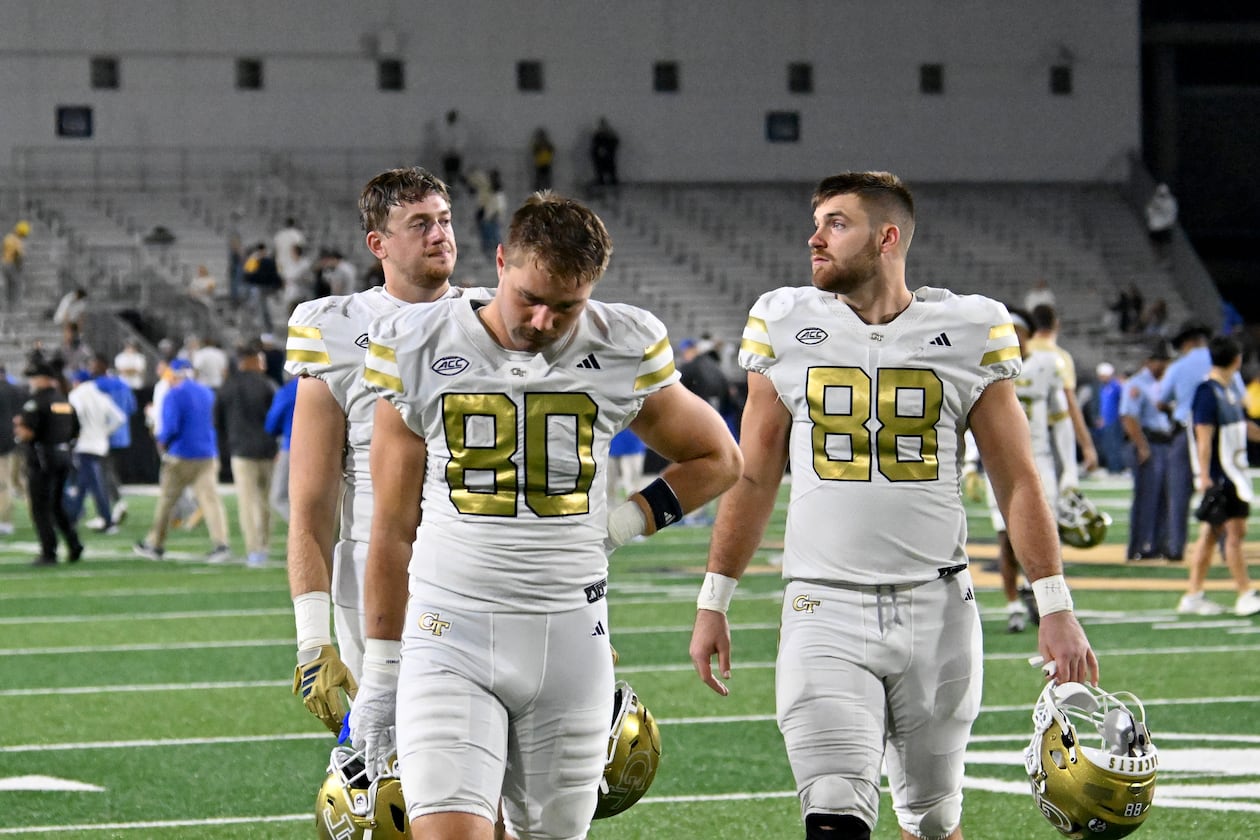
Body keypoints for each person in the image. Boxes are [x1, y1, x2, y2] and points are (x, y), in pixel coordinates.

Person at [687, 171, 1096, 840]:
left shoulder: (972, 326)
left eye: (835, 224)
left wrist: (1055, 608)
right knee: (832, 816)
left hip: (936, 610)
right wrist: (714, 598)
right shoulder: (784, 320)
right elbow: (755, 475)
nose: (814, 238)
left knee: (932, 823)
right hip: (823, 606)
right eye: (817, 222)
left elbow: (1016, 477)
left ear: (887, 237)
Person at [350, 192, 741, 840]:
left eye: (566, 306)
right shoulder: (417, 344)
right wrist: (383, 670)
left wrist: (620, 527)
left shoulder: (622, 344)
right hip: (451, 631)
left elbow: (718, 458)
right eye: (528, 296)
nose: (542, 319)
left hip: (570, 637)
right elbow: (391, 529)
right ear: (500, 261)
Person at [285, 166, 482, 735]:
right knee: (392, 774)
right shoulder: (337, 326)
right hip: (374, 571)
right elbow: (312, 502)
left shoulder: (496, 316)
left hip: (484, 564)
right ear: (378, 244)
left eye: (444, 220)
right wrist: (311, 640)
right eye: (419, 224)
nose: (439, 234)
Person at [1176, 335, 1260, 617]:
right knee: (1233, 533)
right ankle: (1245, 592)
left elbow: (1239, 425)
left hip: (1233, 473)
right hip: (1221, 475)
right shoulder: (1207, 391)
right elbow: (1203, 436)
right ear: (1236, 360)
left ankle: (1194, 593)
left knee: (1212, 535)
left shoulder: (1228, 390)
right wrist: (1204, 476)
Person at [1156, 321, 1242, 562]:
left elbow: (1161, 399)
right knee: (1225, 490)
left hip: (1186, 431)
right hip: (1222, 434)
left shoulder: (1178, 366)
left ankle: (1176, 548)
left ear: (1185, 343)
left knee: (1179, 493)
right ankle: (1228, 548)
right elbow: (1239, 397)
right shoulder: (1222, 361)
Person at [133, 358, 231, 563]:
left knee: (167, 501)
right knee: (211, 501)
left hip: (180, 455)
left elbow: (170, 427)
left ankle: (155, 544)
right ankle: (221, 544)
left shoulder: (174, 394)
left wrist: (162, 441)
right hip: (207, 453)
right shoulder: (207, 392)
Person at [15, 358, 84, 566]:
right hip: (63, 457)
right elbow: (76, 430)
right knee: (56, 505)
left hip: (42, 459)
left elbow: (27, 433)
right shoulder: (64, 401)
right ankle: (73, 544)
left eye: (34, 378)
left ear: (43, 379)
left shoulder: (36, 403)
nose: (32, 382)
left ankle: (49, 551)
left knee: (40, 507)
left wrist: (19, 429)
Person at [215, 341, 278, 568]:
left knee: (247, 503)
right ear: (251, 360)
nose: (263, 363)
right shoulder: (267, 385)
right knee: (265, 503)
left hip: (241, 452)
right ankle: (264, 544)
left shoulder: (227, 386)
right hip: (268, 451)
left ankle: (254, 549)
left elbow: (218, 422)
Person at [1028, 303, 1100, 489]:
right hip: (1051, 435)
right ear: (1056, 325)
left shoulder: (1020, 352)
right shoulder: (1060, 357)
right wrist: (1087, 445)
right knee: (1056, 495)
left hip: (1020, 432)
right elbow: (1070, 404)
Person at [1119, 339, 1176, 560]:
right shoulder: (1136, 384)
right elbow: (1129, 417)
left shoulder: (1162, 383)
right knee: (1146, 497)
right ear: (1149, 361)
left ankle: (1158, 544)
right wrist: (1141, 446)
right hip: (1148, 443)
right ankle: (1139, 545)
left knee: (1164, 498)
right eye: (1161, 361)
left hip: (1165, 443)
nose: (1164, 366)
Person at [65, 369, 126, 534]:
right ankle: (71, 518)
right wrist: (104, 432)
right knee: (85, 483)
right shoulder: (102, 397)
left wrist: (73, 436)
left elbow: (74, 419)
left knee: (95, 485)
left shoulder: (75, 396)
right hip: (100, 445)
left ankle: (107, 521)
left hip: (84, 444)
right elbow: (120, 418)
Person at [87, 353, 137, 527]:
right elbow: (132, 407)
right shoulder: (122, 384)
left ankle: (110, 508)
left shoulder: (95, 386)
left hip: (102, 434)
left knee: (101, 473)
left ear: (101, 365)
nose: (90, 368)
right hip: (122, 436)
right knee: (108, 470)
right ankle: (114, 505)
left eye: (93, 364)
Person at [264, 373, 297, 522]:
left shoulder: (287, 391)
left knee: (279, 497)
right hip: (329, 449)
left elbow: (271, 425)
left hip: (292, 448)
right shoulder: (327, 386)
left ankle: (305, 530)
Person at [0, 367, 25, 535]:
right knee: (20, 481)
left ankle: (4, 521)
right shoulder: (19, 390)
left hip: (3, 443)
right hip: (20, 441)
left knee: (4, 484)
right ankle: (42, 516)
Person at [1092, 361, 1126, 473]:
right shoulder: (1101, 388)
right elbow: (1098, 404)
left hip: (1115, 421)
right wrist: (1098, 417)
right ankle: (1111, 468)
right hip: (1104, 422)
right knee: (1107, 446)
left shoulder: (1116, 386)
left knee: (1115, 446)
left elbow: (1122, 401)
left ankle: (1117, 468)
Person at [2, 220, 30, 308]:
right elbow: (20, 256)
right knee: (16, 284)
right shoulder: (17, 241)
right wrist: (20, 267)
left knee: (8, 285)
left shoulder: (8, 237)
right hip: (11, 264)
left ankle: (7, 304)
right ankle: (14, 305)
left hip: (4, 263)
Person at [591, 116, 620, 186]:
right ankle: (603, 180)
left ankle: (610, 180)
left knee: (609, 168)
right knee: (602, 168)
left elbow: (615, 143)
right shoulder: (599, 134)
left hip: (607, 155)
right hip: (603, 156)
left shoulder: (608, 133)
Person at [530, 127, 555, 191]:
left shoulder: (545, 145)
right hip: (542, 164)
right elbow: (534, 151)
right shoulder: (540, 145)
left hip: (544, 164)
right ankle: (541, 190)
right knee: (541, 180)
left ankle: (544, 190)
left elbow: (552, 150)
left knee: (544, 180)